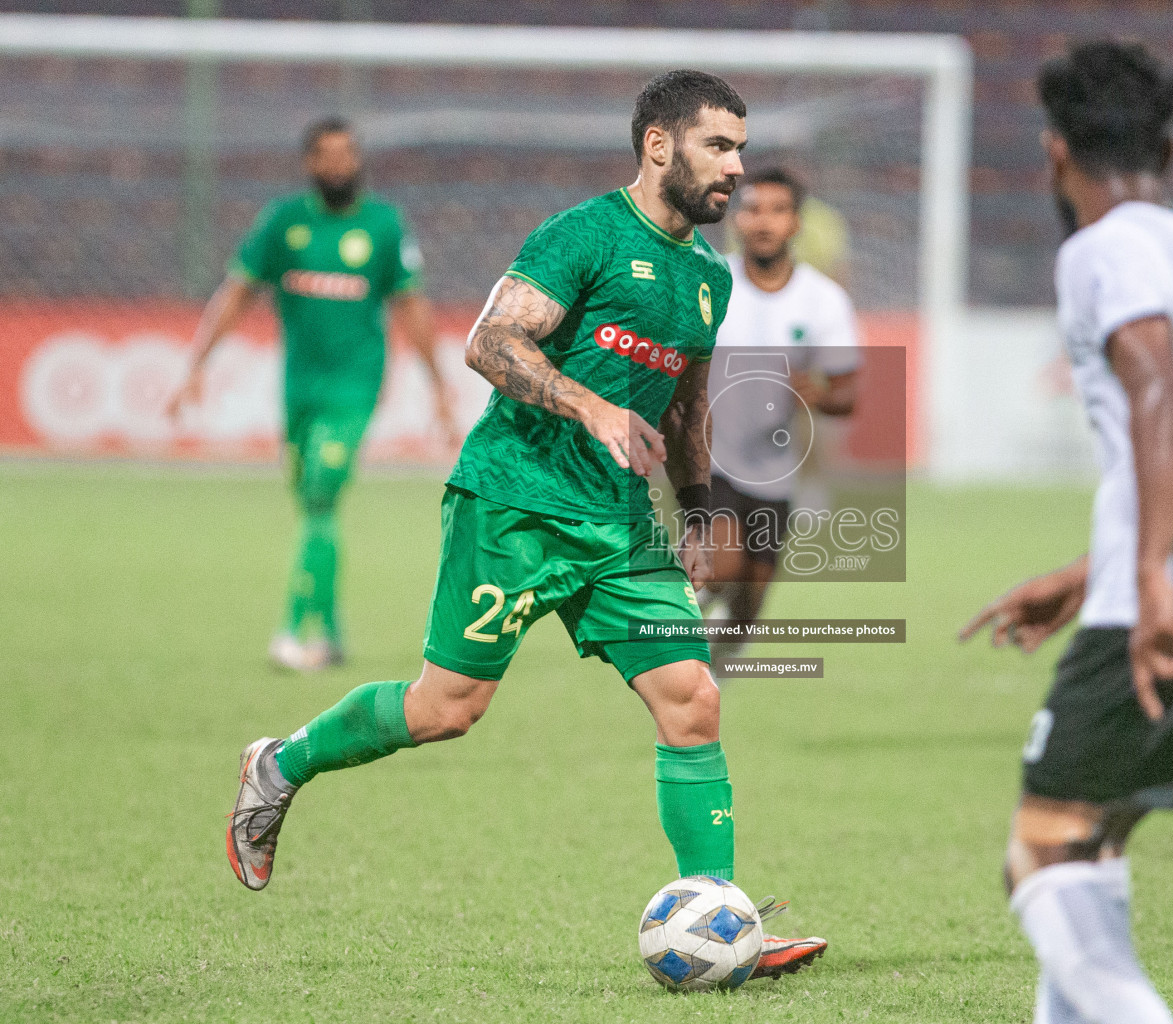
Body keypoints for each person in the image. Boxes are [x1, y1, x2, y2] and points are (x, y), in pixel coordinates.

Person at [223, 70, 826, 982]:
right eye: (719, 145)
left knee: (693, 700)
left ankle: (720, 916)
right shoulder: (582, 234)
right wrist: (588, 407)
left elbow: (685, 409)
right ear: (659, 145)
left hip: (622, 526)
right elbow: (490, 342)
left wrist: (700, 513)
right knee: (445, 712)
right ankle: (280, 764)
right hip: (515, 505)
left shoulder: (707, 279)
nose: (735, 168)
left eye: (740, 148)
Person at [960, 42, 1173, 1023]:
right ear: (1163, 144)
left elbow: (1159, 389)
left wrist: (1147, 574)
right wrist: (1093, 568)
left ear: (1053, 153)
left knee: (1038, 852)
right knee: (1090, 848)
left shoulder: (1102, 249)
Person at [168, 117, 455, 671]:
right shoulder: (283, 224)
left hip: (356, 388)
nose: (339, 164)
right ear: (309, 163)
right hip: (298, 390)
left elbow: (412, 307)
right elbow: (236, 293)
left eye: (347, 153)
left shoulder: (384, 226)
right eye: (326, 155)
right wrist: (197, 365)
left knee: (321, 495)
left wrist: (439, 386)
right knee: (311, 507)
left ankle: (294, 631)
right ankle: (332, 631)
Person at [701, 167, 859, 658]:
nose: (763, 222)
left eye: (777, 210)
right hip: (712, 458)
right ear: (735, 219)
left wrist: (814, 391)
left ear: (796, 224)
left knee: (747, 609)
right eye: (751, 209)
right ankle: (675, 648)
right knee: (724, 564)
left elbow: (846, 397)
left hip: (776, 470)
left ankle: (712, 656)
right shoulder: (708, 284)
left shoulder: (823, 301)